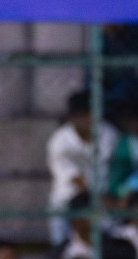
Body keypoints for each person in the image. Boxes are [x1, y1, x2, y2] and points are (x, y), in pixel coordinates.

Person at [47, 89, 118, 245]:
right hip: (67, 201)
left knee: (109, 239)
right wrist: (100, 199)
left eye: (91, 114)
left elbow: (117, 166)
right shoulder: (60, 140)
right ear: (73, 117)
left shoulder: (108, 134)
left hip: (103, 199)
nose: (89, 120)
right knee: (62, 242)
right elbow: (76, 180)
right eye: (83, 115)